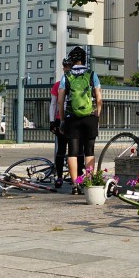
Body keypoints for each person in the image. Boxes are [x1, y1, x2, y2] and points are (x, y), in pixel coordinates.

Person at [57, 46, 102, 195]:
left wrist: (62, 119)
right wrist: (97, 113)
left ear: (72, 60)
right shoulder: (92, 74)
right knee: (89, 150)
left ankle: (75, 185)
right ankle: (88, 183)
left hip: (72, 117)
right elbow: (99, 97)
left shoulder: (67, 76)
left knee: (73, 151)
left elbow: (60, 100)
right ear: (84, 59)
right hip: (89, 117)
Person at [49, 58, 83, 188]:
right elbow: (53, 104)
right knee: (62, 149)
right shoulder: (58, 84)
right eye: (65, 67)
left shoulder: (76, 83)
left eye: (68, 67)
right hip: (63, 119)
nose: (66, 69)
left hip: (73, 118)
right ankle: (59, 176)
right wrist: (52, 121)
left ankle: (78, 175)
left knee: (76, 149)